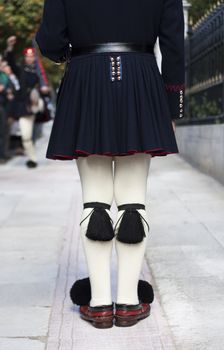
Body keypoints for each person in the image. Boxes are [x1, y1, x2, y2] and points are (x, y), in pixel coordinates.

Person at [36, 0, 185, 328]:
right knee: (133, 200)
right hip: (141, 76)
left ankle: (100, 303)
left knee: (96, 198)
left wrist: (72, 55)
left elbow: (49, 40)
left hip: (86, 76)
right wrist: (174, 105)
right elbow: (174, 42)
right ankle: (130, 302)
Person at [5, 38, 44, 168]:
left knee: (32, 134)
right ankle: (31, 158)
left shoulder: (37, 72)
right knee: (26, 136)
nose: (29, 58)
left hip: (34, 107)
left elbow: (42, 87)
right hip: (23, 107)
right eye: (27, 56)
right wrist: (10, 47)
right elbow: (10, 62)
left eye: (31, 56)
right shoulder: (20, 69)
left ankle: (32, 157)